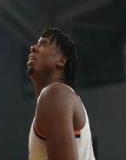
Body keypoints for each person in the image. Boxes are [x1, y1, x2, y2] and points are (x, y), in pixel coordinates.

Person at [27, 28, 96, 160]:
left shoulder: (55, 94)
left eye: (43, 44)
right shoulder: (58, 97)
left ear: (61, 60)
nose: (33, 48)